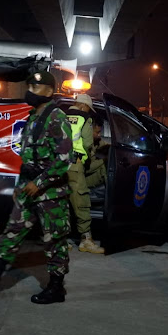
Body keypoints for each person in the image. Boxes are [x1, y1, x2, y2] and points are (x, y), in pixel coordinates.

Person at [0, 71, 73, 304]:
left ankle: (56, 288)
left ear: (50, 91)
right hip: (28, 188)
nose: (31, 90)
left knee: (54, 240)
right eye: (30, 85)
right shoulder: (33, 116)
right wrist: (20, 185)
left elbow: (63, 160)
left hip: (50, 193)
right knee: (12, 231)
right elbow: (28, 158)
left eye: (37, 87)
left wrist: (39, 183)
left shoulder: (57, 118)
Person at [66, 93, 104, 254]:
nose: (89, 112)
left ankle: (62, 240)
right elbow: (87, 143)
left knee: (64, 201)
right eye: (88, 108)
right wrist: (87, 157)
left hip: (58, 165)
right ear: (83, 105)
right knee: (81, 200)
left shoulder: (61, 115)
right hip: (75, 165)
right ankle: (86, 240)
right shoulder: (84, 118)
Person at [84, 118, 108, 189]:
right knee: (103, 165)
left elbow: (105, 144)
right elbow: (86, 169)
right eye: (97, 132)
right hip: (85, 179)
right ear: (90, 131)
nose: (99, 135)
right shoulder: (85, 145)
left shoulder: (96, 141)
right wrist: (103, 160)